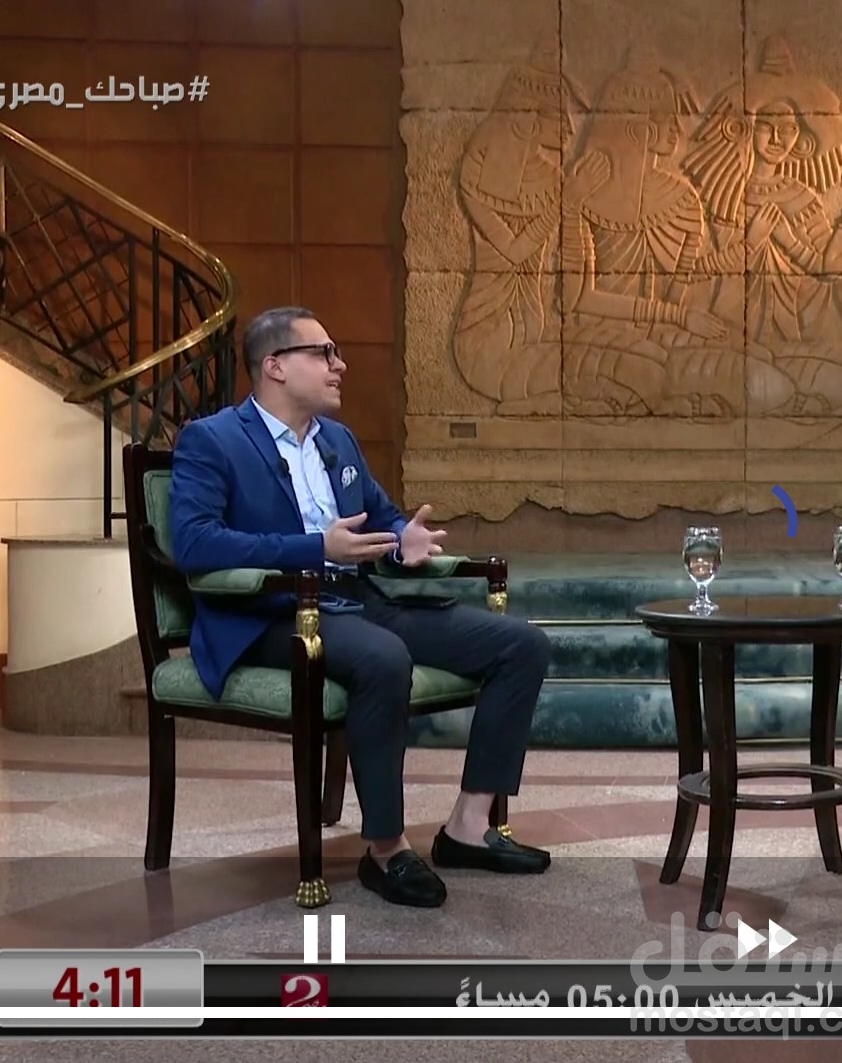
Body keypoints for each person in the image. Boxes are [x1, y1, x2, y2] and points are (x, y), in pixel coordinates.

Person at [169, 307, 555, 909]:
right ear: (275, 366)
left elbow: (381, 516)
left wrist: (403, 539)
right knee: (383, 657)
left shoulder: (337, 440)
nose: (339, 365)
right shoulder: (213, 440)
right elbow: (195, 543)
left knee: (521, 645)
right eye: (323, 353)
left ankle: (468, 827)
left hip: (357, 601)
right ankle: (386, 849)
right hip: (271, 614)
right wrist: (314, 548)